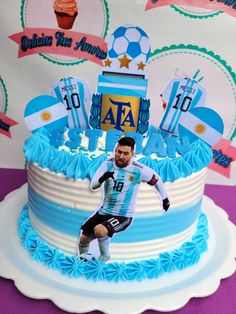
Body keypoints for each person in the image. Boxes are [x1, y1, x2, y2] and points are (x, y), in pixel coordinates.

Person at [78, 136, 170, 262]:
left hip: (123, 215)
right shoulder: (108, 164)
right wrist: (102, 178)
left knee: (99, 230)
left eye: (126, 153)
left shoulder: (138, 170)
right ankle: (80, 261)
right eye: (119, 152)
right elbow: (93, 186)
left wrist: (164, 198)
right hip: (103, 211)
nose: (121, 156)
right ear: (115, 150)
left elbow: (156, 180)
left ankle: (104, 257)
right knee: (83, 240)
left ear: (132, 154)